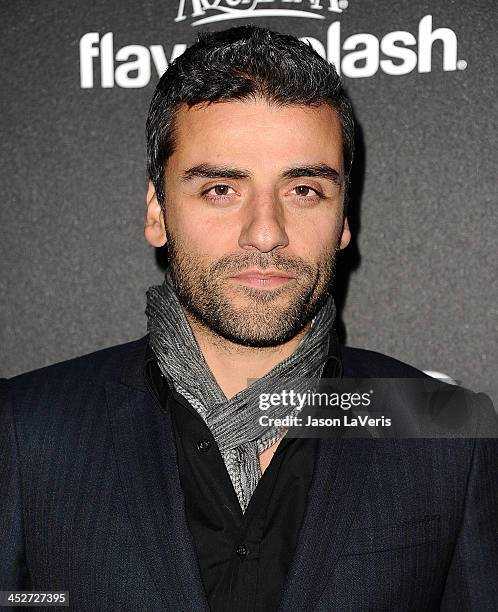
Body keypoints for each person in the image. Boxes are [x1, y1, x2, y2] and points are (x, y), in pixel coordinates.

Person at [1, 25, 497, 612]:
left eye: (305, 190)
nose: (266, 232)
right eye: (220, 189)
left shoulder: (445, 429)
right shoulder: (27, 431)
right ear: (158, 213)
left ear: (343, 220)